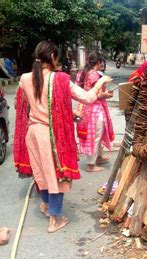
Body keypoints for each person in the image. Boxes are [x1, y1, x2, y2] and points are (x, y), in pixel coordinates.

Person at [13, 41, 110, 233]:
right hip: (50, 136)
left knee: (42, 173)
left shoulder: (24, 78)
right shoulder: (61, 79)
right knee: (55, 174)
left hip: (33, 134)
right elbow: (89, 98)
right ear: (53, 57)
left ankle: (48, 206)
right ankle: (55, 219)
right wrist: (101, 82)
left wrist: (64, 113)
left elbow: (20, 105)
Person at [75, 52, 115, 172]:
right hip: (95, 109)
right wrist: (106, 94)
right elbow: (94, 94)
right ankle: (91, 165)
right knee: (95, 135)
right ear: (98, 63)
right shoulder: (95, 76)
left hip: (85, 107)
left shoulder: (81, 73)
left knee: (96, 134)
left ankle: (98, 157)